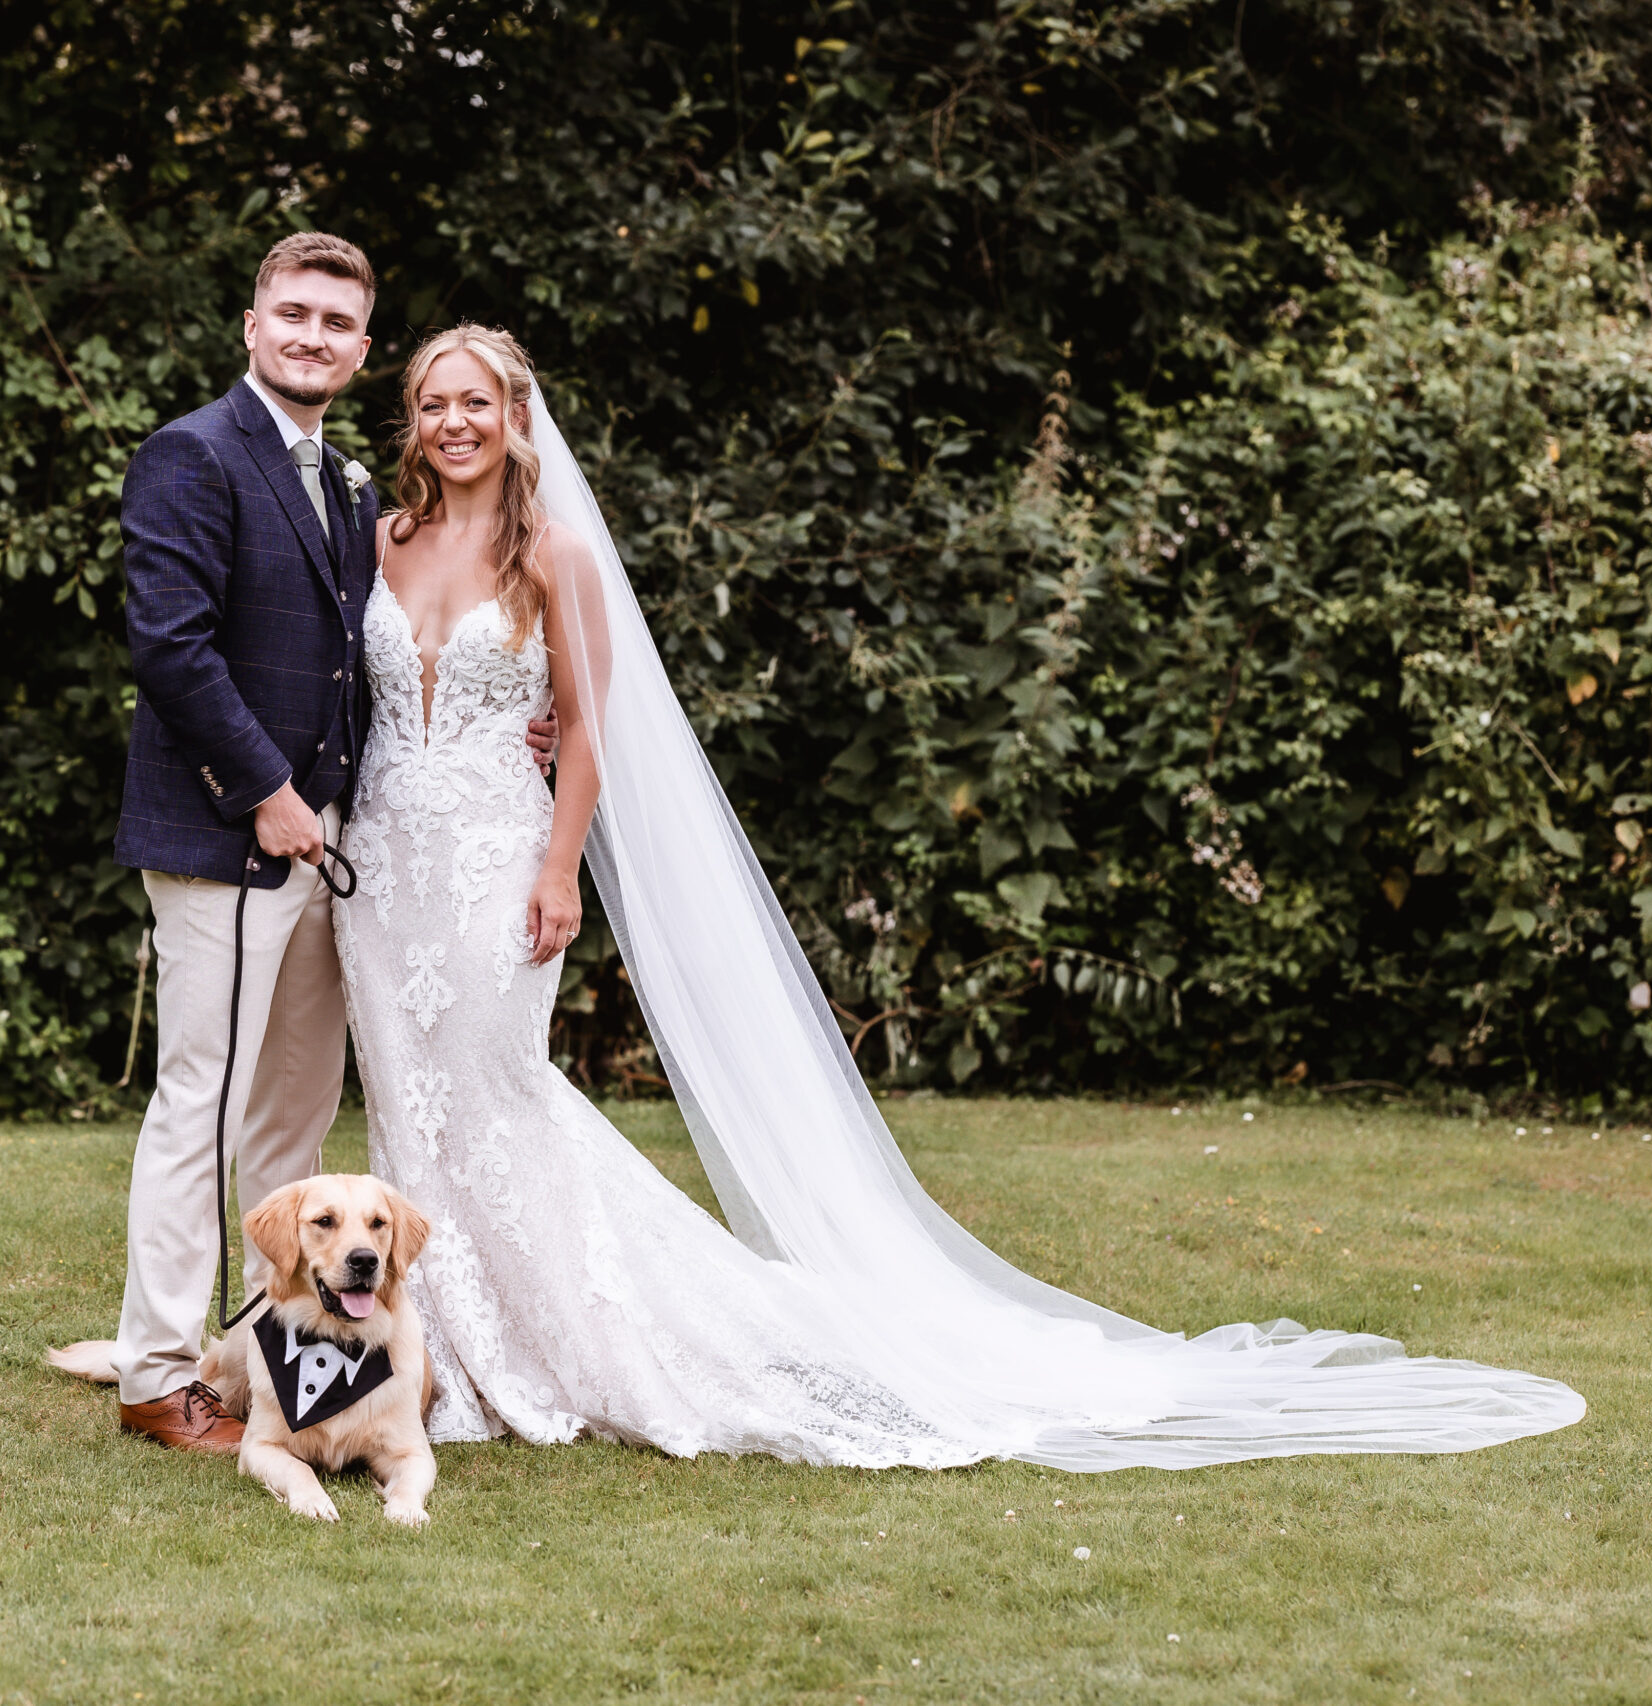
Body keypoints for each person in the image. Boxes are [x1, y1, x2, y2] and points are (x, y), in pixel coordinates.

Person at [332, 322, 1586, 1468]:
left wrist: (560, 868)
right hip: (384, 868)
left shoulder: (553, 554)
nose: (455, 421)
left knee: (500, 1092)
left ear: (514, 414)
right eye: (434, 402)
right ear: (411, 420)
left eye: (477, 401)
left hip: (500, 863)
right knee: (410, 1104)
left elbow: (591, 738)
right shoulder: (379, 542)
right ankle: (425, 1352)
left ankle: (561, 1340)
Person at [97, 237, 551, 1453]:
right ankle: (152, 1372)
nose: (311, 334)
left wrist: (522, 706)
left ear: (359, 350)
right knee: (201, 1103)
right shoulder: (192, 454)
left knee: (289, 1126)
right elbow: (172, 647)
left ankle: (263, 1350)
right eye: (290, 313)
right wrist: (265, 791)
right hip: (232, 838)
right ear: (252, 325)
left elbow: (368, 657)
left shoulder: (346, 485)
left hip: (332, 850)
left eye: (336, 322)